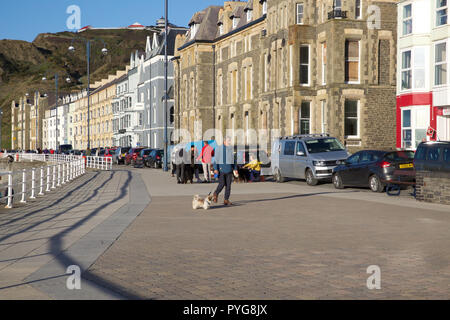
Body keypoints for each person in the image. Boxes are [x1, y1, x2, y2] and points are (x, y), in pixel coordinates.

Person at [212, 137, 238, 206]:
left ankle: (226, 200)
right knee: (222, 184)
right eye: (228, 141)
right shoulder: (219, 149)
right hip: (221, 170)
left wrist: (235, 168)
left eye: (230, 141)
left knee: (228, 186)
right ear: (224, 141)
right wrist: (215, 168)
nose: (229, 142)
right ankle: (215, 193)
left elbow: (234, 160)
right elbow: (216, 160)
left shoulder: (230, 149)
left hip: (229, 170)